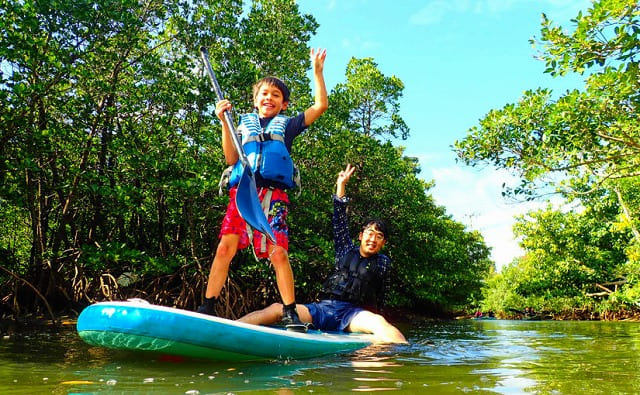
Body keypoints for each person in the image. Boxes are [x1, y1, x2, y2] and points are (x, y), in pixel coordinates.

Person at [196, 48, 328, 332]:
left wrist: (317, 72)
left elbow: (320, 106)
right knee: (224, 248)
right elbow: (232, 159)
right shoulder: (240, 124)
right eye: (264, 94)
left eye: (276, 96)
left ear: (284, 105)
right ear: (256, 101)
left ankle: (290, 311)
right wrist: (223, 122)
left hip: (274, 196)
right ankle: (207, 306)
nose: (269, 98)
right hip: (244, 192)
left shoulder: (289, 125)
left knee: (278, 253)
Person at [237, 164, 408, 344]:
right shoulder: (345, 249)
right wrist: (341, 185)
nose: (373, 239)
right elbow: (339, 218)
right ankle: (230, 328)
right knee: (277, 309)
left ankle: (401, 353)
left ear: (383, 243)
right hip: (323, 309)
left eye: (379, 236)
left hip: (353, 314)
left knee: (379, 323)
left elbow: (382, 295)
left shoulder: (383, 263)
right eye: (369, 233)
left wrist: (372, 323)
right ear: (361, 236)